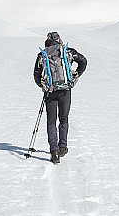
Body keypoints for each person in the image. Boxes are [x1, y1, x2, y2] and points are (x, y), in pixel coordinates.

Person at [33, 31, 87, 164]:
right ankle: (63, 147)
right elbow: (83, 61)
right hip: (65, 90)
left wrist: (43, 86)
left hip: (50, 92)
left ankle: (54, 152)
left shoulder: (42, 55)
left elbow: (36, 74)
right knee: (63, 118)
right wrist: (76, 75)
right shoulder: (67, 52)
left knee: (51, 121)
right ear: (59, 40)